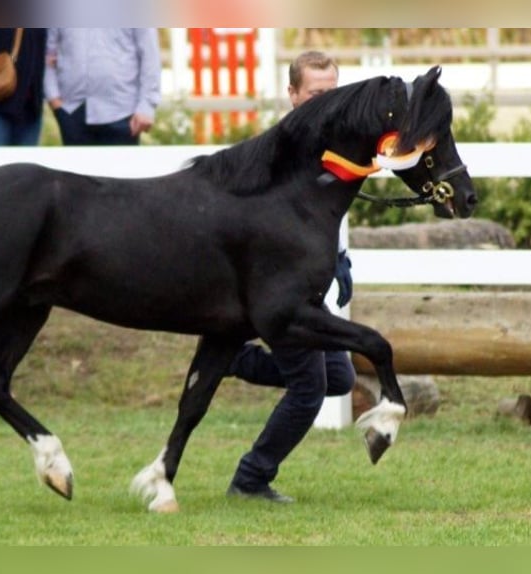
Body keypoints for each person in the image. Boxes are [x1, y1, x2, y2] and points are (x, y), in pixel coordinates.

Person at [226, 51, 356, 504]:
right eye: (316, 93)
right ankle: (251, 478)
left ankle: (235, 362)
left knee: (339, 376)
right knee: (310, 387)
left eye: (331, 92)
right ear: (294, 94)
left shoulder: (338, 143)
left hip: (309, 284)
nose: (326, 101)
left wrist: (340, 260)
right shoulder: (278, 150)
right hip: (278, 285)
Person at [43, 28, 161, 145]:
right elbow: (47, 55)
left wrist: (147, 105)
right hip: (72, 111)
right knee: (74, 164)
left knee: (122, 164)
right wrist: (56, 103)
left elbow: (150, 56)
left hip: (123, 113)